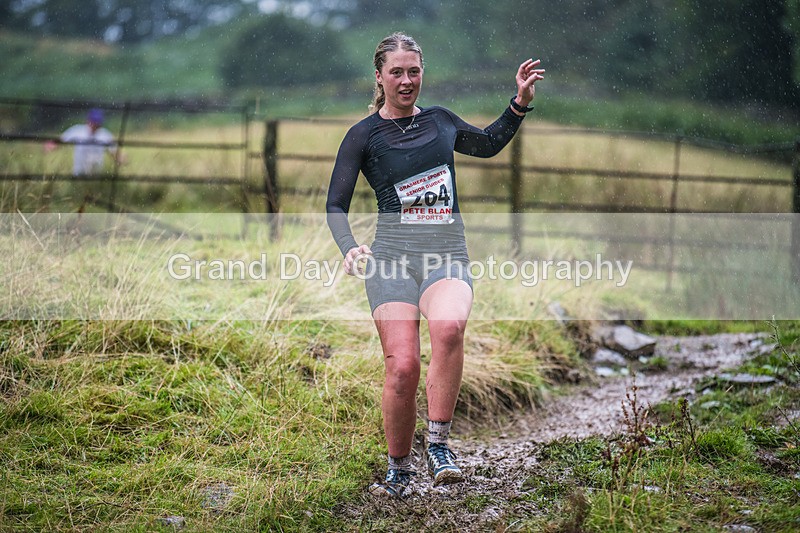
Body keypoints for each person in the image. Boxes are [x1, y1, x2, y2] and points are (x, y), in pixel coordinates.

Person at [325, 32, 544, 498]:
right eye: (396, 73)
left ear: (422, 72)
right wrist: (348, 247)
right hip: (391, 262)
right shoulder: (363, 135)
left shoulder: (441, 120)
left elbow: (487, 144)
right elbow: (335, 205)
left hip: (446, 255)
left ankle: (439, 447)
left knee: (448, 329)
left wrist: (519, 104)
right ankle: (399, 470)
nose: (406, 81)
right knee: (403, 366)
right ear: (379, 77)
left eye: (414, 71)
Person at [45, 108, 120, 176]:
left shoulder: (105, 135)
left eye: (97, 123)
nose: (95, 125)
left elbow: (114, 152)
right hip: (79, 173)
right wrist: (51, 145)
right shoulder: (78, 131)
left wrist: (120, 159)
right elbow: (62, 139)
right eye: (93, 122)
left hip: (96, 175)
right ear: (88, 121)